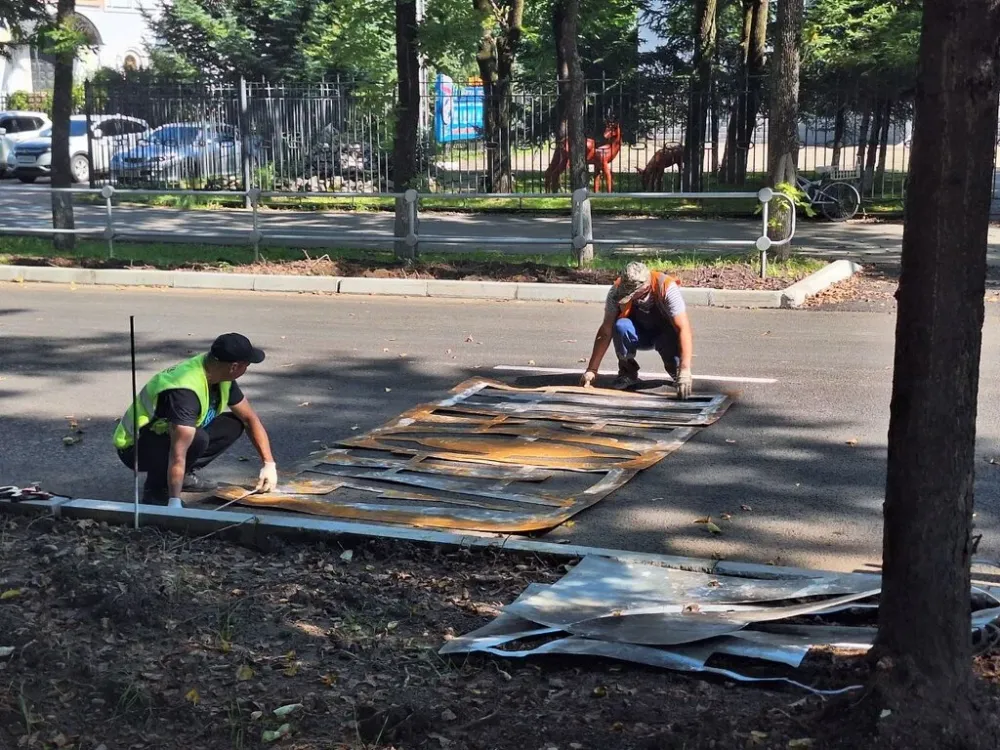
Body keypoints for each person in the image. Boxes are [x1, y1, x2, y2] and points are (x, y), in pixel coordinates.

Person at [113, 333, 278, 507]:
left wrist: (268, 464)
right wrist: (174, 501)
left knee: (233, 424)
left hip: (166, 435)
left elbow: (249, 419)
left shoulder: (219, 373)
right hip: (135, 447)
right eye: (247, 365)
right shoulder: (185, 391)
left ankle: (181, 476)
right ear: (234, 367)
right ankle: (156, 491)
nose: (247, 369)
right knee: (196, 438)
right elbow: (179, 451)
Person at [579, 261, 694, 397]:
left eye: (631, 294)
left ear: (645, 288)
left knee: (671, 346)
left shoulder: (667, 287)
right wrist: (592, 370)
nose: (627, 296)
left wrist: (685, 369)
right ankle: (628, 373)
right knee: (621, 326)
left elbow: (684, 328)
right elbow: (606, 330)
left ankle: (676, 371)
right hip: (637, 333)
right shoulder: (616, 291)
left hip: (664, 334)